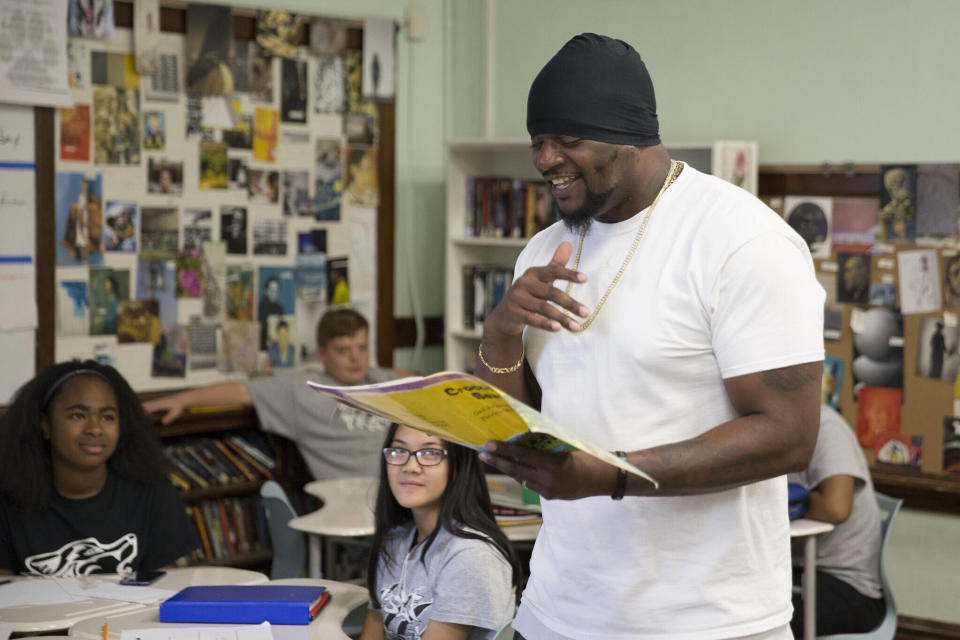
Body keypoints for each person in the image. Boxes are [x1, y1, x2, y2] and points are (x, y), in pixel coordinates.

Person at [474, 34, 824, 639]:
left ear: (629, 133)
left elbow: (789, 437)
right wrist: (501, 331)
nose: (546, 159)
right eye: (538, 142)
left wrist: (609, 474)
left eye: (569, 140)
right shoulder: (542, 249)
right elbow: (519, 422)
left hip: (708, 622)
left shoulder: (742, 241)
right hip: (556, 609)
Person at [144, 309, 414, 481]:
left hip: (405, 490)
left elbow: (428, 384)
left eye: (362, 347)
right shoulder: (302, 390)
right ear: (321, 354)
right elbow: (240, 391)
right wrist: (182, 400)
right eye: (343, 350)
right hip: (353, 501)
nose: (356, 358)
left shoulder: (382, 379)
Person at [0, 360, 197, 576]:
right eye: (78, 415)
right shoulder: (7, 500)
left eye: (107, 417)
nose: (95, 429)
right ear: (45, 425)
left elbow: (163, 589)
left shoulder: (153, 491)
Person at [359, 422, 520, 640]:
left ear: (457, 465)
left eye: (430, 453)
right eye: (399, 451)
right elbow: (372, 631)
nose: (410, 466)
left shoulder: (471, 556)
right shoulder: (395, 540)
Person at [788, 405, 885, 638]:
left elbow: (836, 507)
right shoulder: (765, 432)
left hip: (848, 584)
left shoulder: (824, 426)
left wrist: (785, 500)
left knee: (766, 626)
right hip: (797, 570)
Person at [258, 276, 285, 350]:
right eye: (272, 290)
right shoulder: (260, 308)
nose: (275, 293)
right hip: (262, 347)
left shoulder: (279, 308)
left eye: (277, 290)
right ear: (266, 291)